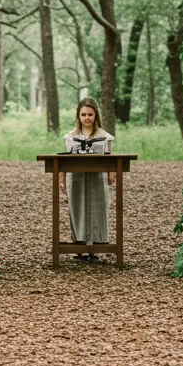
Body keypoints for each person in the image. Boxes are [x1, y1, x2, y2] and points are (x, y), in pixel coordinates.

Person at [62, 98, 114, 260]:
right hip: (76, 178)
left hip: (97, 177)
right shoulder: (70, 137)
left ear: (95, 115)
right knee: (78, 208)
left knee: (98, 207)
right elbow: (64, 160)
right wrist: (61, 180)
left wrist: (112, 173)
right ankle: (79, 245)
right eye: (83, 114)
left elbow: (110, 158)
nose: (87, 118)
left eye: (90, 114)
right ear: (78, 116)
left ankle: (96, 247)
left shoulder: (105, 137)